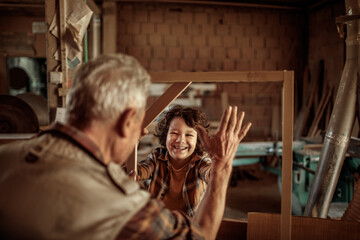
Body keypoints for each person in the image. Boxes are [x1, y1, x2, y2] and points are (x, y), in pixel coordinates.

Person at [0, 53, 252, 240]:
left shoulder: (5, 156)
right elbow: (200, 236)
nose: (140, 131)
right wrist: (223, 163)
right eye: (138, 121)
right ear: (126, 121)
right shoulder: (121, 203)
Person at [136, 105, 211, 217]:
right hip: (158, 221)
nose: (181, 140)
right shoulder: (157, 157)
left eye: (189, 134)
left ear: (198, 140)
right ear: (165, 136)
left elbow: (212, 175)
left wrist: (219, 163)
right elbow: (138, 171)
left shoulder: (201, 161)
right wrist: (132, 144)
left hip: (189, 225)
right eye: (174, 133)